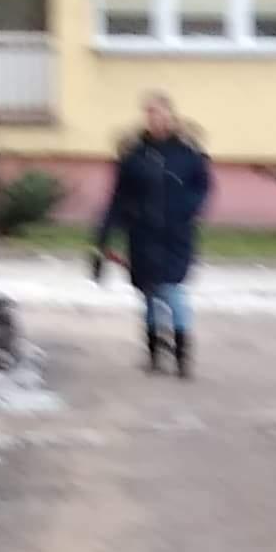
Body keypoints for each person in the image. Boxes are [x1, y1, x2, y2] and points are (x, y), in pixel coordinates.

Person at [91, 91, 213, 376]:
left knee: (173, 291)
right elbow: (118, 197)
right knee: (148, 293)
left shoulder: (188, 153)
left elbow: (203, 188)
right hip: (142, 235)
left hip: (175, 235)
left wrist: (185, 210)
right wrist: (104, 236)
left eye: (160, 113)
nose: (155, 119)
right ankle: (154, 354)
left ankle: (182, 356)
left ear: (171, 116)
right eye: (150, 114)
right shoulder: (134, 156)